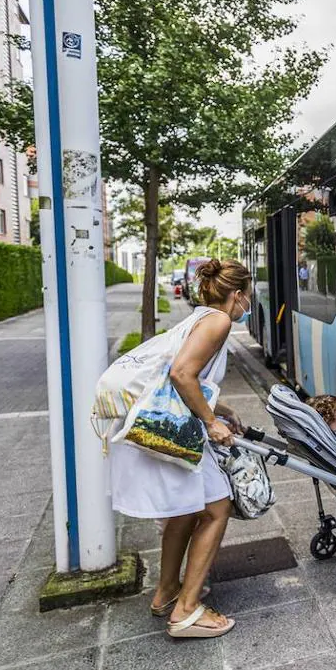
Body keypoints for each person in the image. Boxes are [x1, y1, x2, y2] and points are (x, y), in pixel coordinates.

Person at [109, 258, 252, 640]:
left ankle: (167, 592)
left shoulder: (199, 318)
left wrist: (223, 410)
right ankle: (187, 611)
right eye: (248, 296)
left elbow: (188, 378)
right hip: (182, 430)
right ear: (236, 295)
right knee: (218, 509)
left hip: (172, 424)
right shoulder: (219, 322)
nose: (247, 304)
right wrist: (210, 421)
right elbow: (181, 374)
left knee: (187, 513)